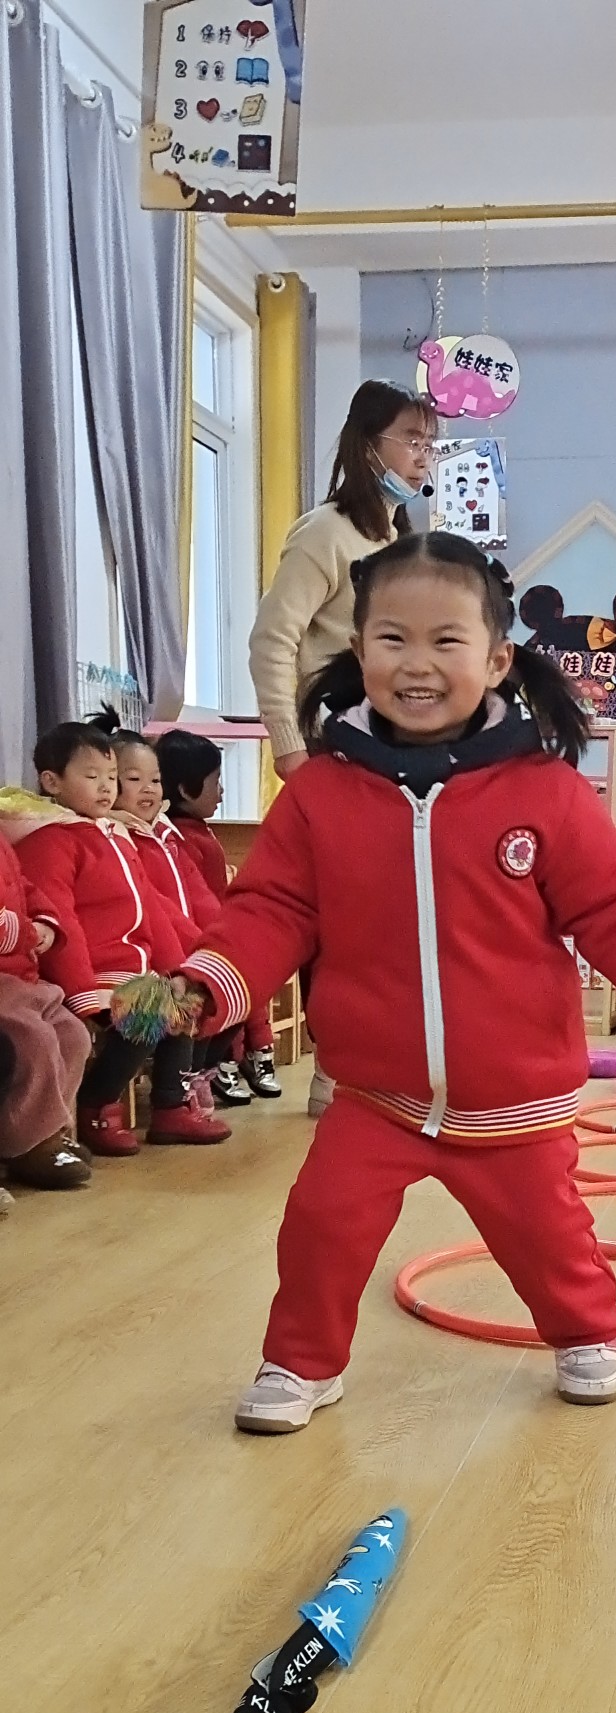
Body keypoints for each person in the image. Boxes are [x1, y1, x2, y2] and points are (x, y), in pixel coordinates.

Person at [177, 532, 616, 1435]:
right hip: (375, 1093)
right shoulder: (320, 795)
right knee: (320, 1224)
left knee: (548, 1236)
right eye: (392, 639)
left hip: (514, 1097)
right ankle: (301, 1362)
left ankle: (585, 1332)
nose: (417, 664)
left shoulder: (546, 791)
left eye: (446, 641)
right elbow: (270, 908)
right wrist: (212, 979)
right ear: (359, 652)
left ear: (497, 659)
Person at [248, 377, 438, 1115]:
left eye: (430, 443)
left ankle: (379, 1061)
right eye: (412, 440)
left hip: (396, 754)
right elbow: (273, 641)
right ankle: (337, 1072)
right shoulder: (323, 532)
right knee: (340, 913)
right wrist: (289, 746)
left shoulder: (399, 541)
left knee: (394, 911)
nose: (423, 455)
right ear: (369, 445)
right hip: (332, 747)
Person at [10, 724, 229, 1153]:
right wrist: (82, 991)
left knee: (182, 1001)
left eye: (110, 777)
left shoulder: (114, 835)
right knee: (144, 1016)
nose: (105, 787)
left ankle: (171, 1105)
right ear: (52, 782)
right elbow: (60, 921)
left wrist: (180, 967)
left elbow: (151, 910)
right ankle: (96, 1104)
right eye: (92, 776)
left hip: (134, 969)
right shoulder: (51, 841)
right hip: (94, 971)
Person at [155, 728, 280, 1105]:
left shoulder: (197, 833)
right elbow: (190, 901)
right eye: (215, 782)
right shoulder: (180, 838)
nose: (221, 791)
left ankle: (251, 1052)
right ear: (185, 788)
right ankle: (230, 1059)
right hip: (199, 937)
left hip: (216, 928)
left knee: (252, 972)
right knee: (233, 981)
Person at [0, 823, 92, 1190]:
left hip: (23, 974)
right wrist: (26, 932)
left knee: (73, 1035)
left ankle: (52, 1130)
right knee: (33, 1039)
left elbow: (24, 887)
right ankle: (28, 1142)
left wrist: (45, 921)